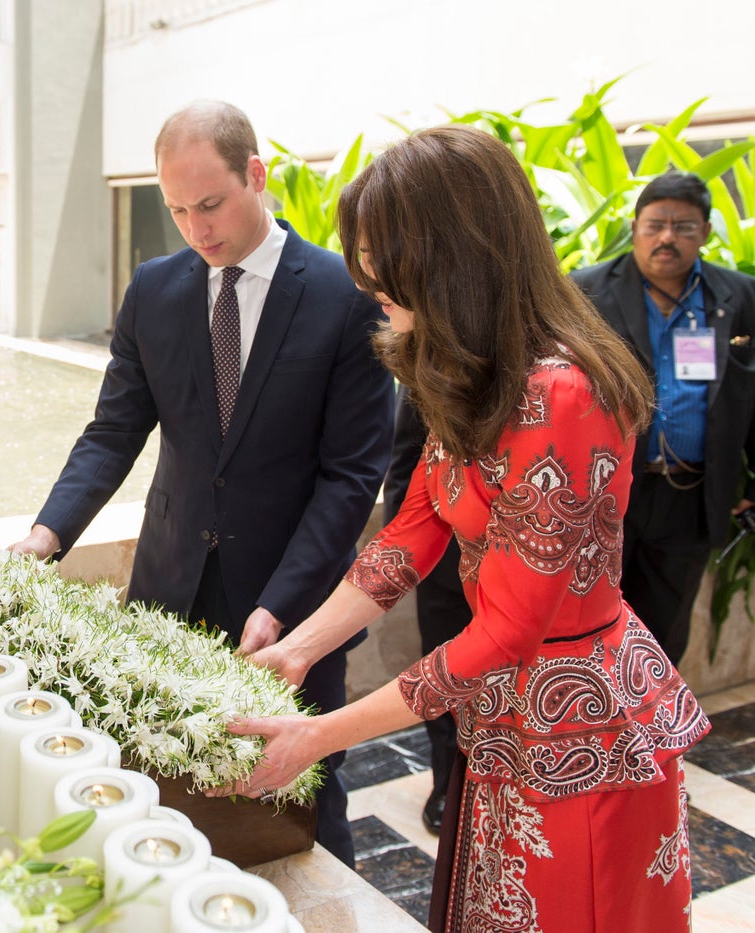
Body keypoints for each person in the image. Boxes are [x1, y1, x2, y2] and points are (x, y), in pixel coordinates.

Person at [212, 125, 711, 932]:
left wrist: (320, 734)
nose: (369, 276)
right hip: (509, 715)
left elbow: (511, 628)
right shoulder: (478, 367)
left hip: (577, 730)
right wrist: (298, 648)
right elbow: (410, 533)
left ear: (454, 254)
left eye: (382, 255)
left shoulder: (558, 395)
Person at [8, 100, 394, 865]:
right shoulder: (152, 291)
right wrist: (47, 533)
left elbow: (351, 477)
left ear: (257, 174)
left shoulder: (343, 297)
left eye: (210, 204)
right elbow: (114, 430)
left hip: (290, 602)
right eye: (177, 209)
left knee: (303, 801)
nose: (196, 228)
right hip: (167, 593)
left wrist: (281, 604)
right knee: (158, 792)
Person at [571, 171, 755, 664]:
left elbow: (749, 391)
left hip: (689, 498)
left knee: (663, 636)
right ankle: (593, 734)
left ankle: (650, 737)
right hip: (602, 495)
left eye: (683, 226)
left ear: (708, 232)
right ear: (634, 227)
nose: (667, 237)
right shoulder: (584, 292)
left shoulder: (738, 297)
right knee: (587, 628)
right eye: (655, 225)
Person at [382, 384, 471, 835]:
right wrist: (403, 562)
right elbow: (406, 460)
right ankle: (446, 785)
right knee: (444, 675)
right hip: (445, 558)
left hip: (522, 565)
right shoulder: (430, 364)